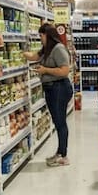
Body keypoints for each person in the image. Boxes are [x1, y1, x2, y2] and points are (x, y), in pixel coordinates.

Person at [24, 23, 73, 166]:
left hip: (59, 88)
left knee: (60, 122)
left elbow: (65, 71)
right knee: (58, 122)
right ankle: (59, 153)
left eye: (41, 36)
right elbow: (34, 56)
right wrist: (22, 51)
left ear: (48, 35)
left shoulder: (58, 49)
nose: (40, 39)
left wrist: (45, 70)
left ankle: (63, 156)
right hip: (51, 89)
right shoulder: (47, 49)